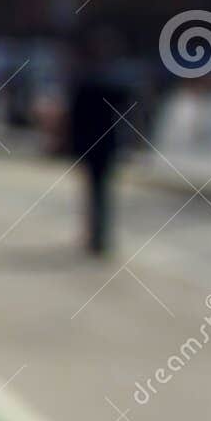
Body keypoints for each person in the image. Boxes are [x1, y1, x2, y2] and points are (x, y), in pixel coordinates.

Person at [66, 29, 134, 257]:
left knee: (96, 191)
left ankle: (97, 235)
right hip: (105, 145)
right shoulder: (113, 82)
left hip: (95, 145)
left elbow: (75, 117)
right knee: (101, 191)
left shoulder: (86, 81)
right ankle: (100, 236)